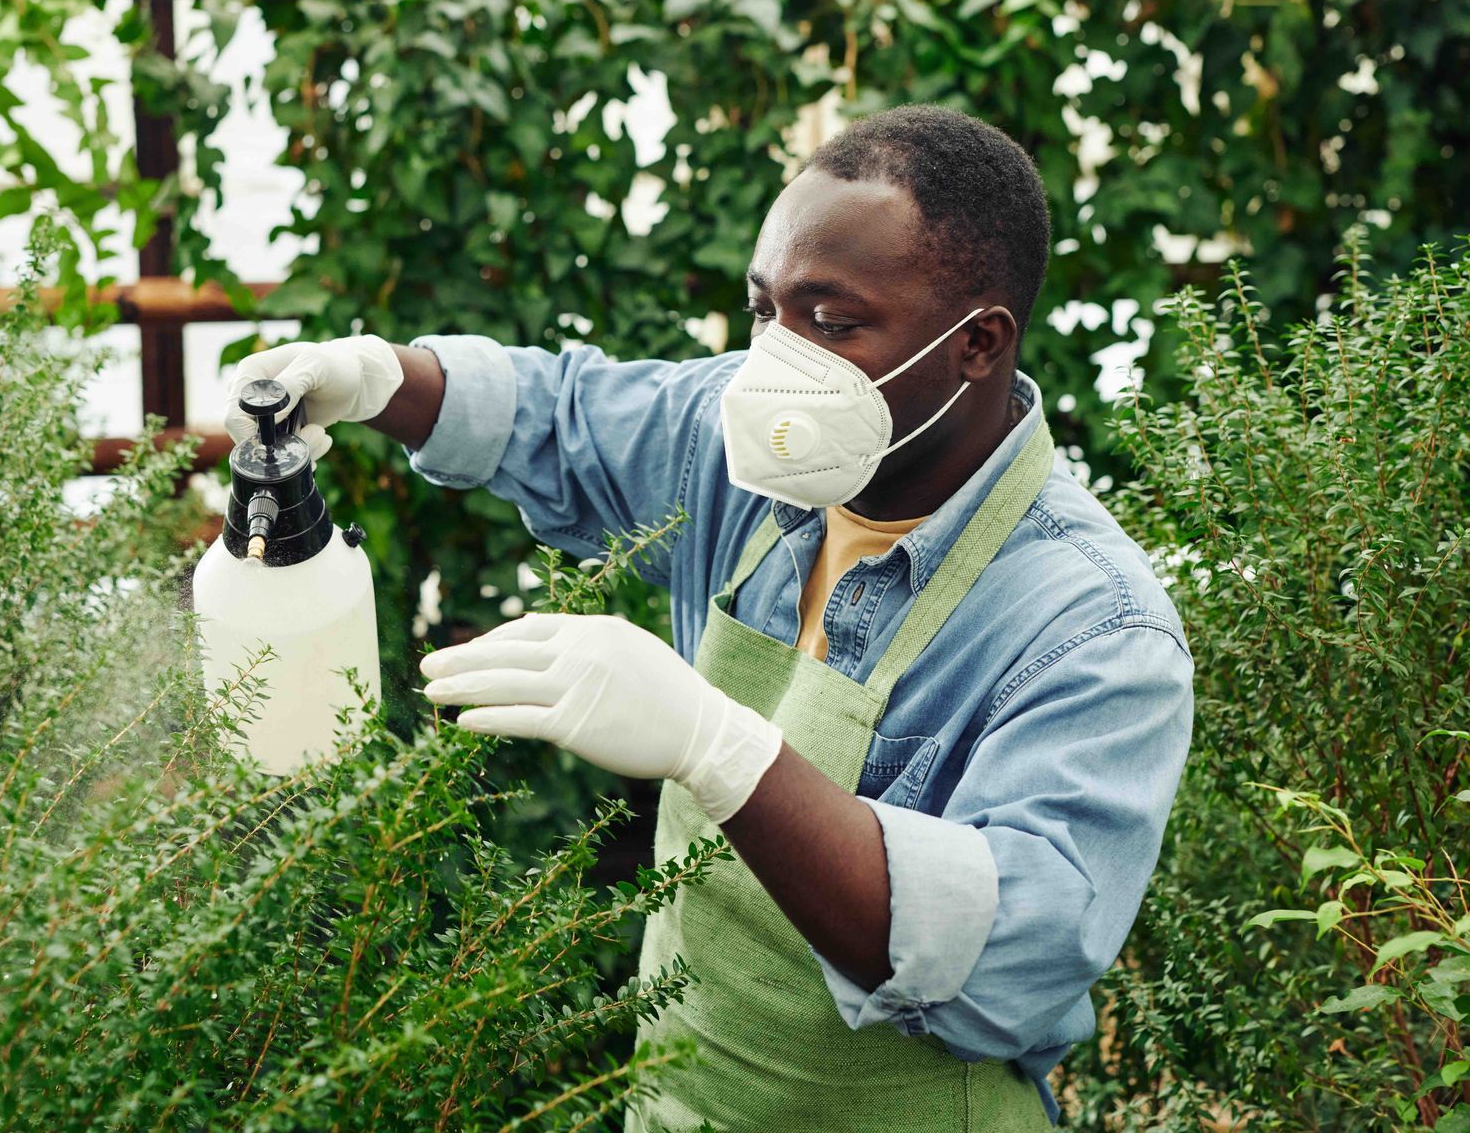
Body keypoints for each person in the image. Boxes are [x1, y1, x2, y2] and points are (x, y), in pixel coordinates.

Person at [220, 105, 1194, 1132]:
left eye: (832, 320)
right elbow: (560, 415)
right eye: (765, 308)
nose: (777, 359)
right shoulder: (762, 449)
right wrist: (377, 378)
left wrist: (718, 746)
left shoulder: (1092, 627)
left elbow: (1009, 957)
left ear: (977, 343)